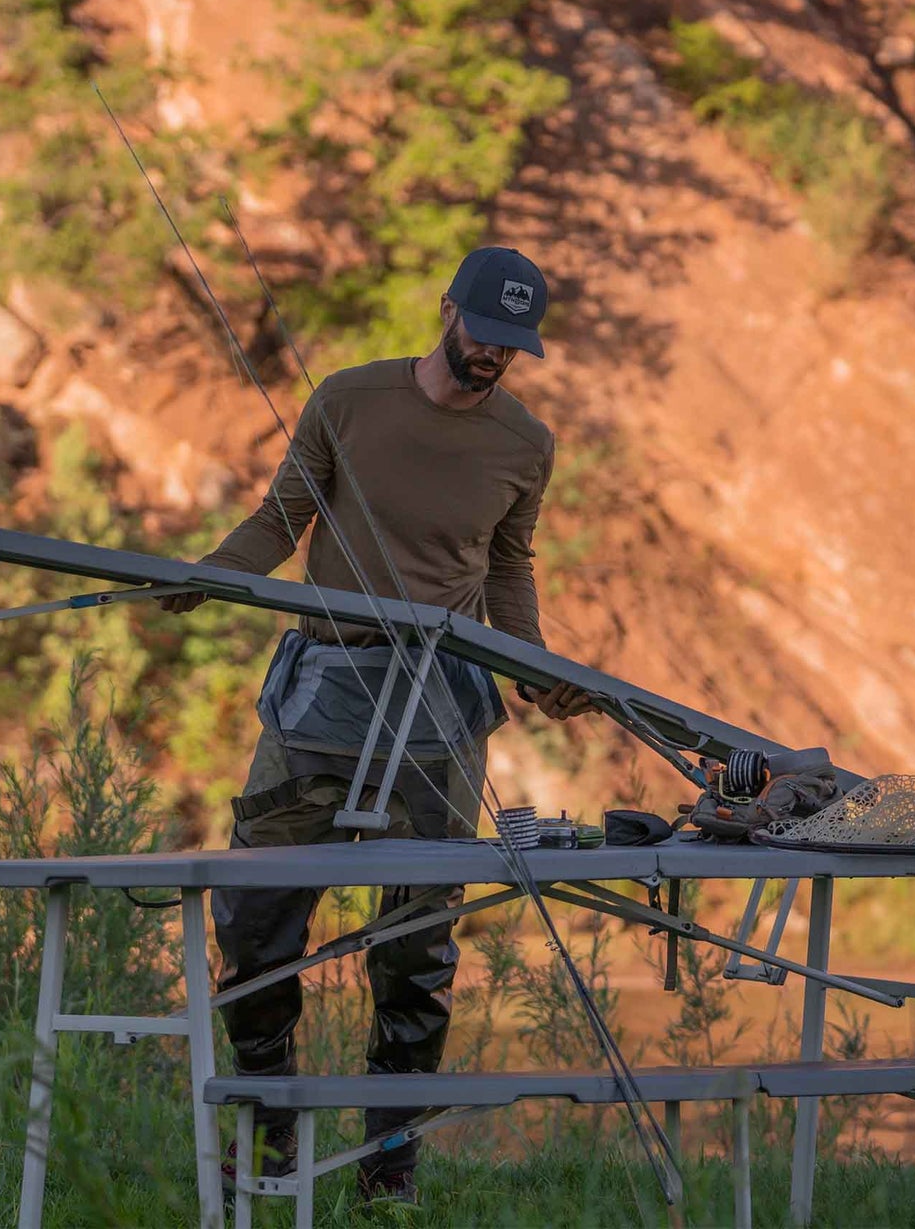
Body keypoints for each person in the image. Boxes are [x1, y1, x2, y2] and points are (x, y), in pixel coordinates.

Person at [161, 245, 595, 1204]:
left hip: (439, 713)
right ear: (448, 309)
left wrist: (534, 671)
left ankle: (386, 1163)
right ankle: (266, 1134)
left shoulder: (524, 441)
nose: (495, 357)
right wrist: (210, 573)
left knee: (417, 942)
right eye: (485, 334)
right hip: (319, 692)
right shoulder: (349, 400)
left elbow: (509, 567)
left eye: (514, 346)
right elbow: (280, 518)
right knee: (256, 918)